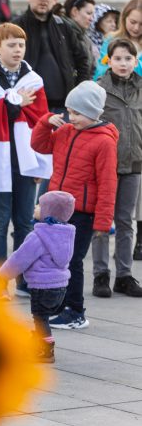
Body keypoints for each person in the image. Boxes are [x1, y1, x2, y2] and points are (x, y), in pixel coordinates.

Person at [0, 23, 51, 296]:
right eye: (11, 45)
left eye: (21, 45)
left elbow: (39, 119)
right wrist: (13, 101)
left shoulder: (34, 80)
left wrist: (11, 103)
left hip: (25, 161)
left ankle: (24, 279)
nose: (18, 50)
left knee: (25, 222)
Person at [31, 81, 117, 330]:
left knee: (73, 261)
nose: (71, 117)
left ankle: (76, 311)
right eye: (69, 111)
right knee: (58, 260)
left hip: (83, 213)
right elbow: (39, 145)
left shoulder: (104, 142)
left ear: (93, 113)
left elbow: (108, 183)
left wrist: (102, 221)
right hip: (59, 209)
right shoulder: (66, 131)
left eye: (77, 113)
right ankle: (60, 306)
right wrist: (46, 121)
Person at [0, 191, 76, 364]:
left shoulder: (38, 236)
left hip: (42, 287)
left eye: (40, 205)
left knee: (40, 318)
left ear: (49, 212)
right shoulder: (66, 234)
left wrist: (3, 274)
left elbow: (20, 259)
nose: (35, 207)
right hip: (61, 286)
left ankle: (46, 351)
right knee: (43, 317)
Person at [92, 39, 142, 298]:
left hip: (133, 164)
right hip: (106, 167)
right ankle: (101, 274)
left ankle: (124, 275)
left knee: (126, 221)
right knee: (102, 221)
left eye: (128, 58)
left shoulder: (141, 88)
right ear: (108, 61)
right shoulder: (99, 88)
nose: (123, 63)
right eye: (118, 58)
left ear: (136, 60)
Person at [12, 0, 91, 114]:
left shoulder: (63, 26)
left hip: (62, 108)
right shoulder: (15, 27)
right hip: (28, 107)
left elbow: (83, 60)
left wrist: (77, 91)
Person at [94, 0, 142, 80]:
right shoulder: (111, 40)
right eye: (132, 22)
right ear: (124, 18)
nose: (136, 28)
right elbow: (100, 71)